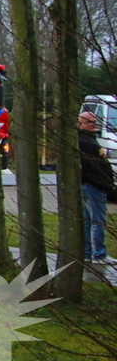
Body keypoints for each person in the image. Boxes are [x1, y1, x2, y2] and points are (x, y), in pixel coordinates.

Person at [80, 111, 117, 264]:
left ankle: (88, 253)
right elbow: (92, 166)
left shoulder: (89, 139)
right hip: (94, 186)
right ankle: (99, 255)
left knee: (89, 221)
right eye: (90, 122)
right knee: (98, 221)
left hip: (91, 185)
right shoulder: (85, 141)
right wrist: (103, 183)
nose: (94, 124)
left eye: (95, 121)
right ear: (81, 123)